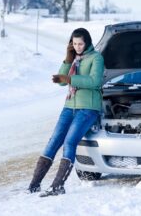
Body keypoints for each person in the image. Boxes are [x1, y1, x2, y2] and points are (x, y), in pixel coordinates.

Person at [28, 28, 104, 197]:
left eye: (80, 43)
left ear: (88, 43)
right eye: (74, 43)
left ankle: (57, 186)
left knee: (69, 142)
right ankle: (34, 185)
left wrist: (69, 79)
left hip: (88, 107)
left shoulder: (96, 58)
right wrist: (67, 59)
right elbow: (62, 82)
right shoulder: (74, 59)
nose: (77, 47)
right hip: (70, 105)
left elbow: (95, 81)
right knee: (54, 141)